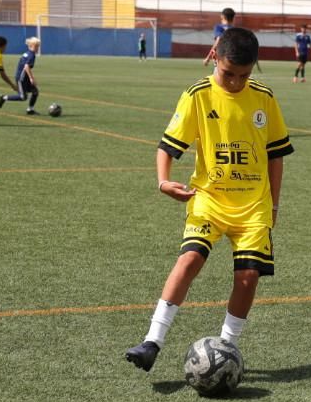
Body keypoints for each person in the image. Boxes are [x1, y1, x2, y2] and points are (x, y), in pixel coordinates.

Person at [124, 27, 292, 371]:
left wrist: (273, 204)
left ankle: (226, 349)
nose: (234, 83)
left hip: (253, 207)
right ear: (215, 58)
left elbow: (276, 155)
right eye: (228, 74)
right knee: (189, 261)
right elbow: (167, 146)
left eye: (243, 76)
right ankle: (152, 341)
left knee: (248, 277)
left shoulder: (264, 97)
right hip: (209, 200)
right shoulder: (198, 94)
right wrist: (163, 182)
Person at [0, 35, 42, 113]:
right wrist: (31, 78)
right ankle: (4, 97)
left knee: (35, 91)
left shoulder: (27, 53)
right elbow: (26, 67)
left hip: (24, 77)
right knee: (23, 97)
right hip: (21, 78)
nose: (38, 48)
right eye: (37, 46)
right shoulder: (31, 55)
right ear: (32, 46)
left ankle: (30, 109)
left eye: (38, 46)